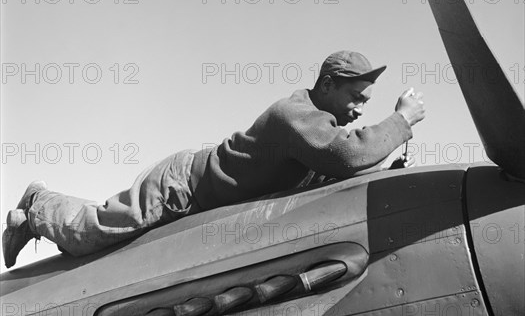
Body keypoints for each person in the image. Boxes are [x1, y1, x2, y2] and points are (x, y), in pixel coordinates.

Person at [2, 50, 425, 268]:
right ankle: (36, 203)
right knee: (92, 237)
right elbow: (349, 154)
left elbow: (340, 163)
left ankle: (33, 218)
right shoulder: (294, 116)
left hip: (197, 193)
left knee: (91, 251)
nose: (359, 110)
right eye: (355, 98)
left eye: (366, 103)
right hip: (180, 189)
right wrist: (401, 121)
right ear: (328, 85)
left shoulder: (320, 128)